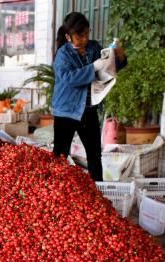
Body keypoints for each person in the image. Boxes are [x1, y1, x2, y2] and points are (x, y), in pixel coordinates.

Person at [51, 12, 126, 182]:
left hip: (88, 109)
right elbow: (70, 78)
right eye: (79, 35)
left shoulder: (93, 47)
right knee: (60, 156)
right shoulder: (63, 55)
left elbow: (110, 66)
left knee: (94, 155)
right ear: (68, 36)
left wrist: (119, 57)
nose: (84, 39)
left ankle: (98, 192)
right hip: (66, 111)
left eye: (86, 34)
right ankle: (56, 190)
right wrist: (93, 67)